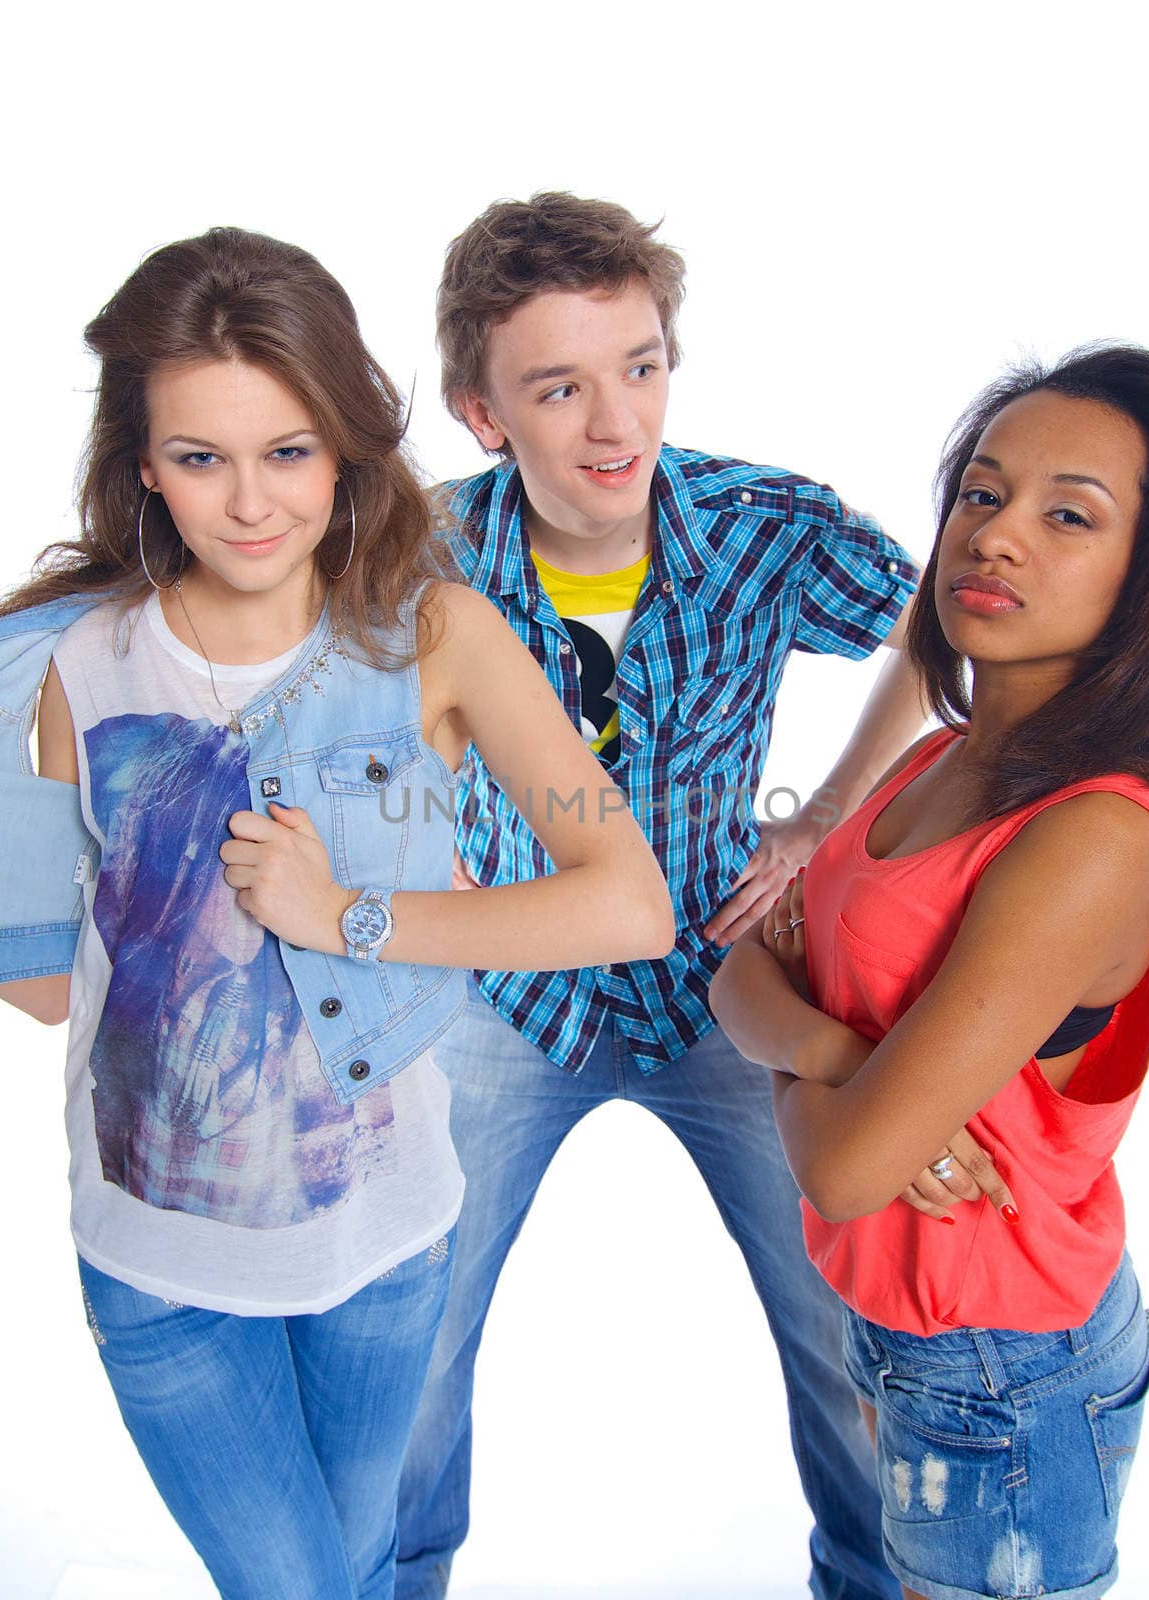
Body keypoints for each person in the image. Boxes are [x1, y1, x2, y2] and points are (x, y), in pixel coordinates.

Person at [0, 226, 673, 1600]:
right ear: (143, 463)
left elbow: (624, 904)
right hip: (157, 1264)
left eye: (288, 452)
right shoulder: (70, 661)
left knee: (369, 1568)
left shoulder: (431, 634)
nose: (251, 504)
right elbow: (51, 986)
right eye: (201, 458)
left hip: (385, 1245)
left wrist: (352, 917)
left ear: (344, 447)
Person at [396, 192, 925, 1600]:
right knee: (413, 1336)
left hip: (727, 987)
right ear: (480, 412)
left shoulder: (761, 524)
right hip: (501, 998)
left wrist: (822, 816)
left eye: (638, 366)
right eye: (558, 387)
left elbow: (945, 630)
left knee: (841, 1326)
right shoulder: (419, 555)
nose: (612, 421)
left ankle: (874, 1579)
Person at [710, 344, 1149, 1600]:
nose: (997, 538)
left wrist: (811, 1053)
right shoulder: (938, 758)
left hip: (1003, 1364)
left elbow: (842, 1169)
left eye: (1070, 514)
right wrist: (841, 1056)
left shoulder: (1092, 837)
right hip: (905, 1329)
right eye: (983, 494)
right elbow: (739, 971)